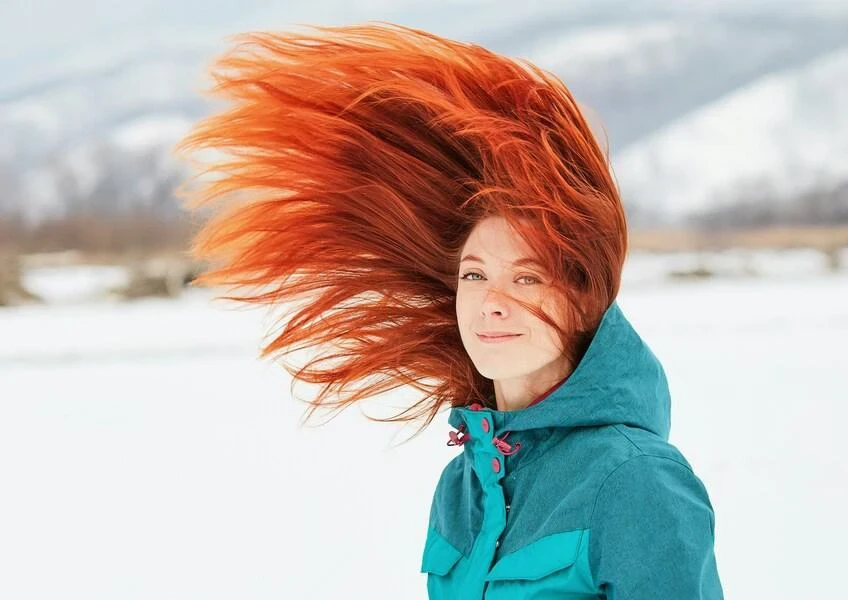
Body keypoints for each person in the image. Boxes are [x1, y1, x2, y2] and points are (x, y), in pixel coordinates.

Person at [175, 22, 724, 599]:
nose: (492, 301)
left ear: (584, 296)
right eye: (475, 274)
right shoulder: (463, 486)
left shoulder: (635, 481)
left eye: (527, 276)